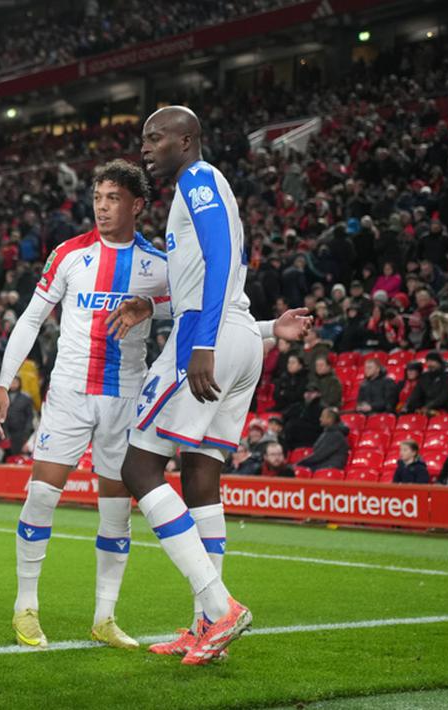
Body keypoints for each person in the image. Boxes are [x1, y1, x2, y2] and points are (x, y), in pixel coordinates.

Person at [106, 106, 309, 666]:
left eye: (157, 136)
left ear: (187, 139)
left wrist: (203, 340)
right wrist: (269, 329)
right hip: (240, 335)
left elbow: (221, 255)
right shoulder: (191, 191)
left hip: (208, 338)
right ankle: (206, 626)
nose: (146, 145)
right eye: (144, 136)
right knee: (200, 478)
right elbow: (210, 268)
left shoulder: (198, 177)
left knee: (138, 468)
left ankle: (219, 607)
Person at [0, 158, 168, 651]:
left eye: (113, 199)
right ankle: (25, 606)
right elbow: (30, 319)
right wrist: (4, 381)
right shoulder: (69, 254)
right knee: (42, 495)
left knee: (115, 510)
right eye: (98, 198)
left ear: (137, 205)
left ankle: (104, 617)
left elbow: (193, 305)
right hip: (68, 392)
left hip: (124, 398)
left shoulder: (159, 266)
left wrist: (150, 306)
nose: (103, 207)